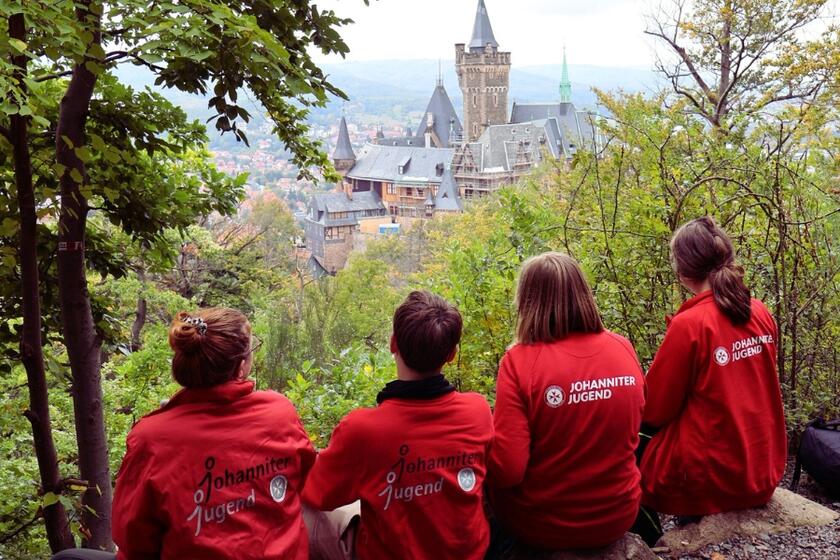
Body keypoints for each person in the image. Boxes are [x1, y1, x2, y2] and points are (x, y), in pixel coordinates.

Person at [108, 308, 315, 559]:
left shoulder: (151, 439)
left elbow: (133, 538)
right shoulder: (279, 412)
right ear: (240, 366)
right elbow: (302, 478)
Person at [302, 291, 493, 560]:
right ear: (451, 354)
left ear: (393, 344)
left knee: (304, 510)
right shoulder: (478, 411)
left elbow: (317, 494)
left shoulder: (362, 429)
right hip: (470, 554)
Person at [486, 252, 647, 553]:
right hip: (619, 514)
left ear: (527, 301)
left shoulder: (519, 362)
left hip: (543, 525)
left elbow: (508, 470)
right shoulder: (622, 348)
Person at [640, 216, 787, 519]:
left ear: (682, 272)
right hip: (762, 473)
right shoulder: (758, 310)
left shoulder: (690, 324)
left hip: (715, 481)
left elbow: (654, 409)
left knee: (633, 448)